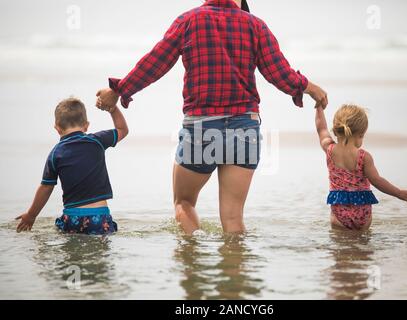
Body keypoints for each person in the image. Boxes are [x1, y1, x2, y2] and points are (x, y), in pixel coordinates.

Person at [96, 0, 328, 235]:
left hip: (202, 128)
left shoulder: (188, 21)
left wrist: (119, 90)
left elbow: (155, 62)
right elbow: (280, 74)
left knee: (184, 203)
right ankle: (234, 269)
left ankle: (192, 260)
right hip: (244, 128)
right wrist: (311, 88)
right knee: (233, 217)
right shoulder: (255, 26)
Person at [15, 97, 128, 234]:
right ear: (86, 125)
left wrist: (31, 215)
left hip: (72, 218)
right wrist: (113, 109)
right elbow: (122, 129)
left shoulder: (55, 154)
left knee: (70, 250)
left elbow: (46, 187)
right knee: (99, 253)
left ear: (57, 128)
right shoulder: (97, 141)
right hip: (99, 217)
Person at [315, 104, 407, 230]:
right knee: (363, 245)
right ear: (360, 135)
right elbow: (377, 181)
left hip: (339, 210)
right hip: (362, 211)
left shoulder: (329, 149)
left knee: (340, 245)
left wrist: (319, 107)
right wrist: (398, 193)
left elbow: (322, 130)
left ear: (336, 131)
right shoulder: (364, 157)